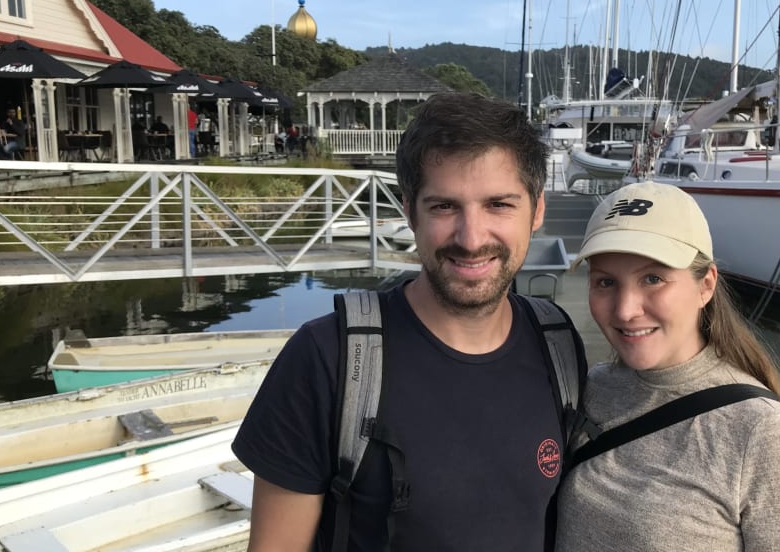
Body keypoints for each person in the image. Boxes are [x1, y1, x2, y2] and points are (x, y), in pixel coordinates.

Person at [232, 92, 585, 551]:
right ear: (409, 211)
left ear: (537, 210)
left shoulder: (557, 344)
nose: (471, 238)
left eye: (499, 204)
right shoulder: (327, 360)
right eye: (444, 207)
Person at [555, 181, 780, 552]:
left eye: (653, 279)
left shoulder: (764, 434)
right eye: (605, 282)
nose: (624, 310)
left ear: (706, 286)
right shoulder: (594, 386)